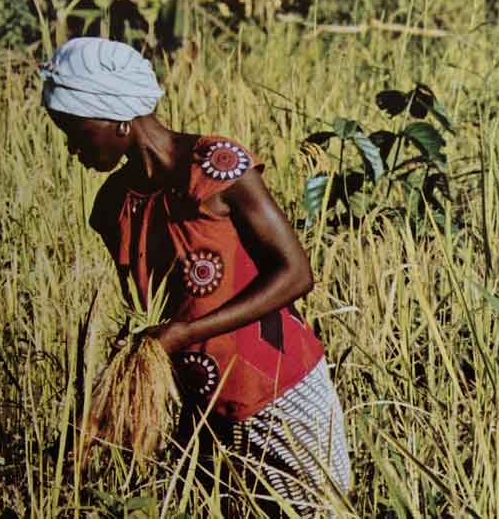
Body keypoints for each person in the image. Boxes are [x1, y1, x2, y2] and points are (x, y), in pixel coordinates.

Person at [40, 37, 351, 517]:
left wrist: (184, 334)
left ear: (117, 114)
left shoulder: (217, 165)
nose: (72, 147)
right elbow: (158, 308)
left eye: (76, 129)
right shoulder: (113, 208)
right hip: (198, 402)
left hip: (279, 389)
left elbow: (295, 274)